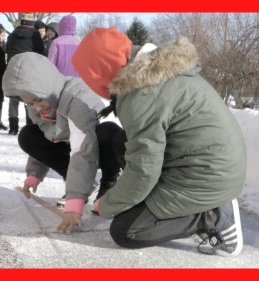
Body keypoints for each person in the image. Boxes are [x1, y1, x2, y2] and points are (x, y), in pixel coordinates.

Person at [71, 27, 247, 257]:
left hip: (208, 178)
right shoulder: (158, 72)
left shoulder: (142, 96)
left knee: (125, 231)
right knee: (120, 141)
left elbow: (144, 170)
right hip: (215, 166)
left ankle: (210, 217)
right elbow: (145, 154)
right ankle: (188, 206)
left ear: (100, 73)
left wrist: (108, 205)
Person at [2, 52, 123, 227]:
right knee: (28, 135)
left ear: (47, 86)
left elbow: (83, 149)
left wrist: (75, 203)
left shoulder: (76, 96)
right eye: (29, 103)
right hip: (70, 149)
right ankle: (75, 183)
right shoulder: (36, 108)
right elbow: (45, 138)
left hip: (94, 147)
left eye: (38, 99)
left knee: (108, 132)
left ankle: (109, 182)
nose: (36, 107)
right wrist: (34, 174)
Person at [5, 13, 44, 134]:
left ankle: (13, 127)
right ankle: (29, 126)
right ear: (32, 23)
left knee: (14, 99)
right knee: (29, 99)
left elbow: (7, 50)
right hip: (29, 70)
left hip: (13, 68)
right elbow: (40, 51)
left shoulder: (12, 36)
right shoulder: (35, 35)